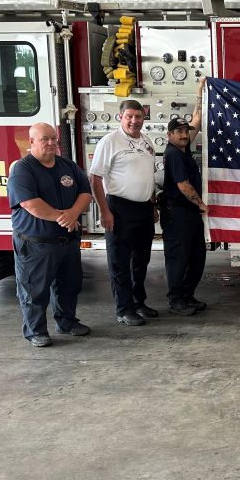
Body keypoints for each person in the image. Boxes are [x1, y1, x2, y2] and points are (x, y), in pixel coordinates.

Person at [7, 123, 92, 347]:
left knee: (69, 286)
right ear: (32, 142)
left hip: (67, 241)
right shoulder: (22, 169)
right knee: (34, 290)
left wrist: (73, 213)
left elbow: (85, 192)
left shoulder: (68, 166)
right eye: (45, 139)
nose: (52, 143)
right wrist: (62, 217)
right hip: (36, 244)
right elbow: (30, 204)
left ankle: (67, 322)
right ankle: (35, 331)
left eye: (54, 139)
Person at [89, 100, 159, 326]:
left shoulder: (147, 142)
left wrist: (153, 205)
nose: (134, 121)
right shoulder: (110, 142)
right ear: (120, 117)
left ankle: (139, 302)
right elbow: (95, 178)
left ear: (143, 118)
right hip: (119, 208)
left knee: (141, 260)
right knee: (120, 262)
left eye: (138, 117)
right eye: (129, 116)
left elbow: (147, 176)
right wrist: (104, 210)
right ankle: (124, 308)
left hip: (144, 209)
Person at [160, 103, 209, 315]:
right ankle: (176, 299)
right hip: (177, 214)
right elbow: (183, 185)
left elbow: (195, 124)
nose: (184, 135)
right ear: (169, 134)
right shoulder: (173, 154)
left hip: (188, 214)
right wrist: (201, 204)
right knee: (178, 258)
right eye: (178, 131)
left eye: (185, 131)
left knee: (196, 257)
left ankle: (187, 296)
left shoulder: (184, 148)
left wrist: (200, 94)